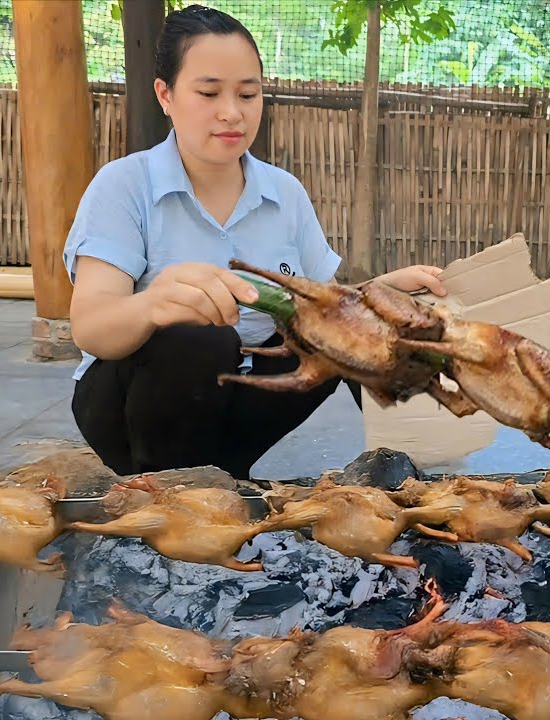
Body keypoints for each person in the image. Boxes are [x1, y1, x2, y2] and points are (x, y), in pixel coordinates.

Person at [64, 5, 445, 480]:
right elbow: (92, 327)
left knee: (350, 333)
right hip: (130, 412)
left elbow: (326, 311)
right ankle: (166, 488)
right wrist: (154, 305)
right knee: (202, 338)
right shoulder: (123, 185)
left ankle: (420, 471)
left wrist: (380, 292)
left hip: (241, 404)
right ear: (165, 95)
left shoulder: (283, 193)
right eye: (208, 92)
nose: (232, 112)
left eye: (248, 93)